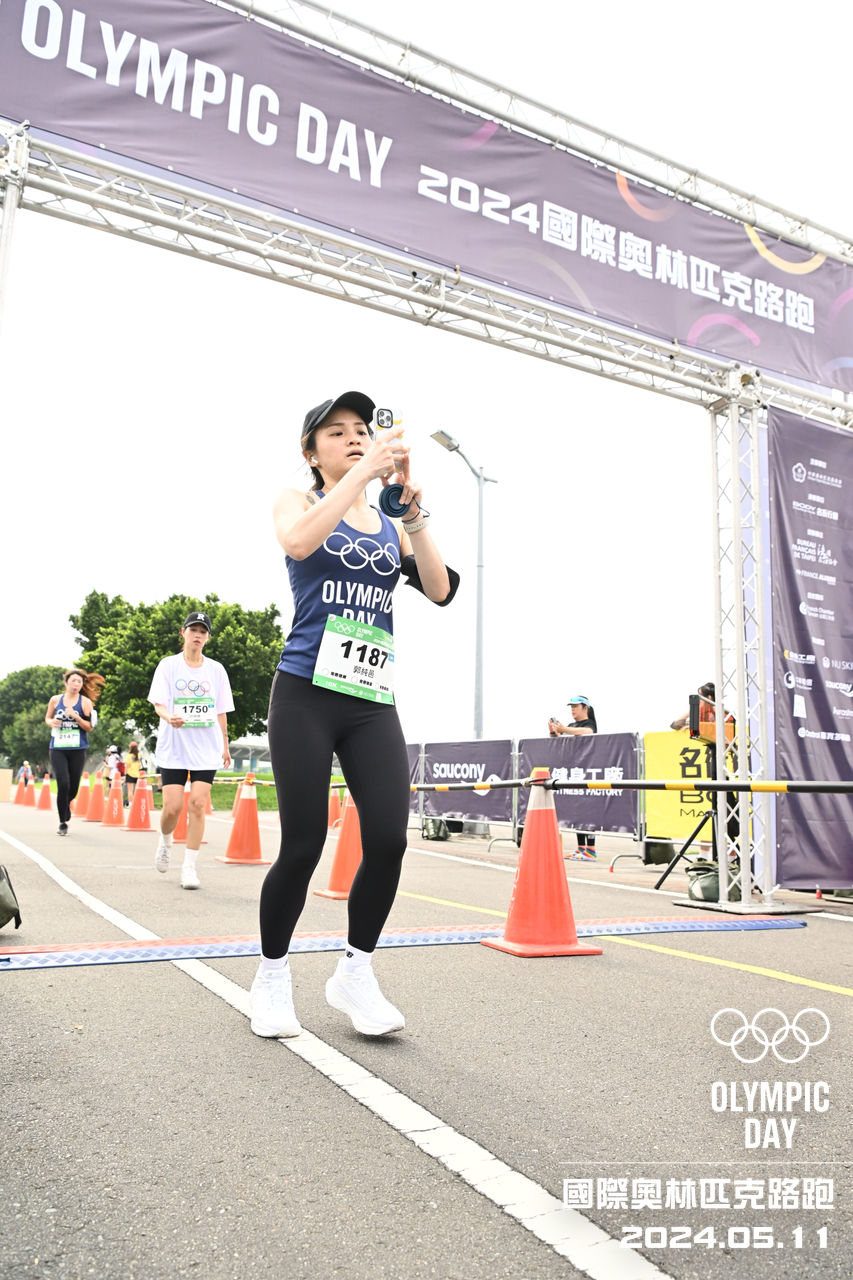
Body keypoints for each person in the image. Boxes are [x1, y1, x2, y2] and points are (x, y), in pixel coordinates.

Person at [251, 390, 458, 1040]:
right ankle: (272, 976)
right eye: (336, 432)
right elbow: (297, 543)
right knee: (304, 842)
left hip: (370, 699)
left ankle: (355, 971)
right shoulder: (297, 501)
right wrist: (362, 476)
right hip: (305, 693)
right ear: (312, 452)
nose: (352, 438)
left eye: (361, 430)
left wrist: (413, 514)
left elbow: (439, 589)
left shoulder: (389, 523)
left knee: (390, 840)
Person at [147, 611, 233, 889]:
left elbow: (221, 710)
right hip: (174, 746)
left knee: (197, 804)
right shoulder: (168, 665)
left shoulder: (216, 670)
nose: (197, 635)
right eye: (193, 630)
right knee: (173, 807)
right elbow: (158, 703)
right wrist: (168, 716)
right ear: (183, 633)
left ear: (208, 637)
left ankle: (189, 867)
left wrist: (225, 745)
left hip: (206, 748)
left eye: (203, 631)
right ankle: (165, 841)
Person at [44, 668, 104, 836]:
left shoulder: (85, 702)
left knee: (73, 787)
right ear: (66, 682)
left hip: (78, 748)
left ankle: (66, 804)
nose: (76, 684)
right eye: (73, 681)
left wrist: (76, 717)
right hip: (58, 748)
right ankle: (62, 822)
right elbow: (47, 718)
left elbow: (90, 727)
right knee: (63, 783)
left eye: (79, 681)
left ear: (82, 684)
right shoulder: (55, 700)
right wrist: (52, 722)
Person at [547, 694, 598, 859]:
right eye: (571, 707)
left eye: (576, 707)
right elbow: (561, 741)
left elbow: (588, 732)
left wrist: (565, 729)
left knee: (588, 811)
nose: (573, 710)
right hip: (573, 772)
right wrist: (554, 732)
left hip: (587, 772)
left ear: (585, 708)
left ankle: (591, 850)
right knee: (577, 811)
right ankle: (581, 848)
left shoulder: (589, 724)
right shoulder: (571, 726)